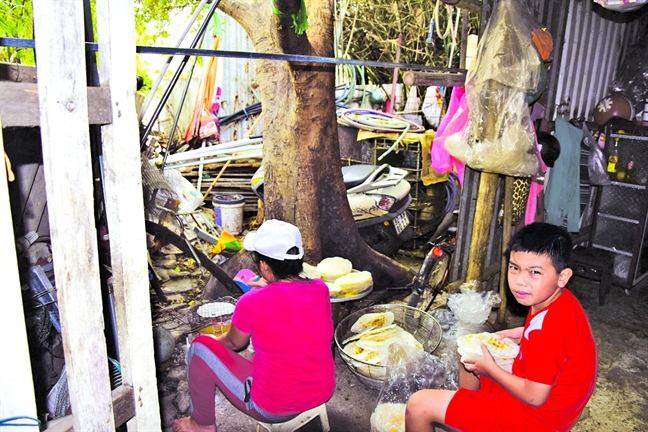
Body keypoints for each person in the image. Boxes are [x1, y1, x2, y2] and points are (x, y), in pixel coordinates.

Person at [405, 222, 597, 432]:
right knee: (469, 354)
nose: (520, 281)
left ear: (563, 276)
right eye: (515, 268)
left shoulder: (548, 330)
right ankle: (469, 413)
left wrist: (491, 369)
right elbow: (560, 342)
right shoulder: (558, 300)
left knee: (418, 405)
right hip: (555, 405)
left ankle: (474, 415)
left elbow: (534, 396)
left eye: (534, 272)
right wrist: (523, 332)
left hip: (536, 420)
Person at [173, 219, 336, 432]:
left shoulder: (252, 301)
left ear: (264, 266)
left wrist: (212, 343)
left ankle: (202, 423)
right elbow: (294, 309)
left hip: (273, 407)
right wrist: (271, 286)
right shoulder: (320, 289)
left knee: (198, 349)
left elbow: (234, 343)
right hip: (322, 391)